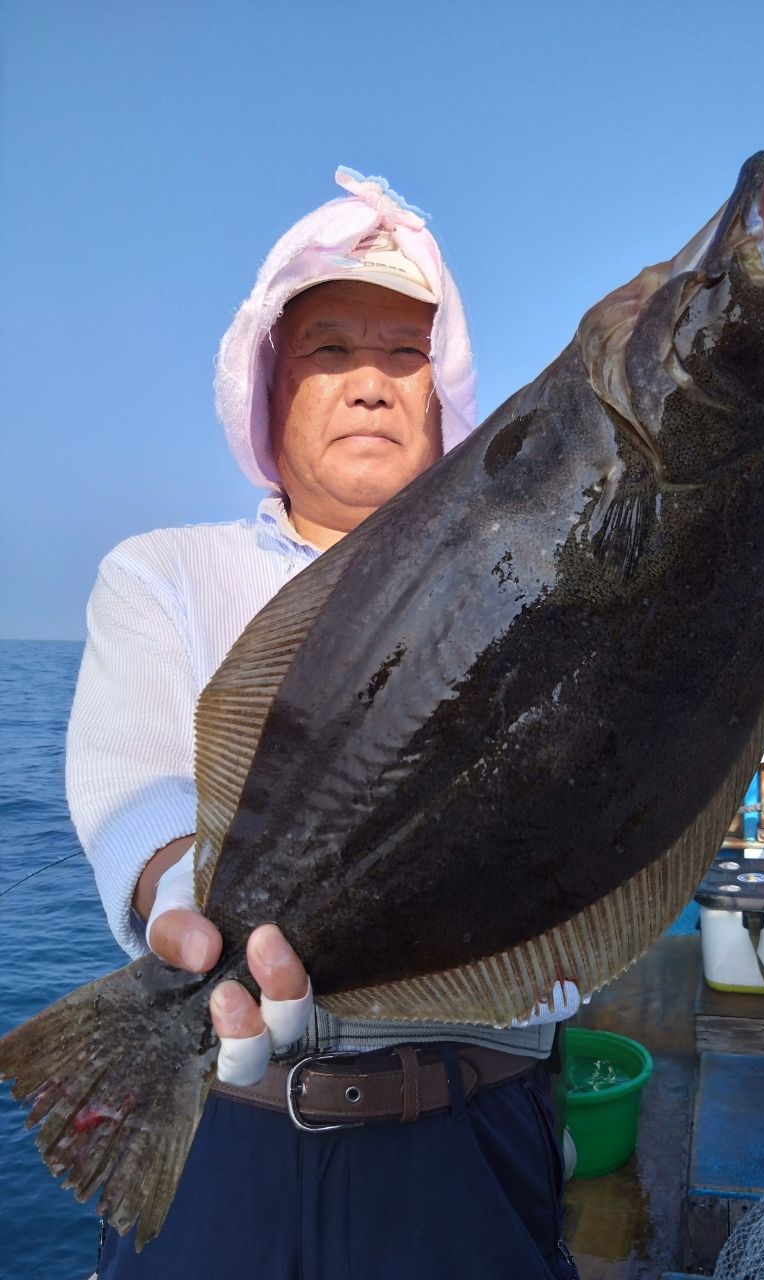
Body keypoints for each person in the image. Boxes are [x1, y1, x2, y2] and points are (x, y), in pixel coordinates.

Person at [67, 168, 581, 1279]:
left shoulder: (533, 591)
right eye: (329, 350)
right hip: (216, 1138)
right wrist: (183, 901)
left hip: (467, 1139)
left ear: (448, 391)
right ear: (267, 388)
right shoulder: (164, 573)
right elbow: (139, 781)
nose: (370, 384)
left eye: (406, 354)